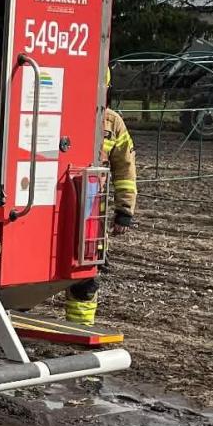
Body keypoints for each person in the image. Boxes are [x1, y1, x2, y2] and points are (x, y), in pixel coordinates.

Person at [66, 70, 136, 326]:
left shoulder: (112, 123)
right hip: (58, 204)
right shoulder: (62, 112)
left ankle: (79, 327)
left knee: (87, 273)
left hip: (92, 208)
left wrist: (124, 211)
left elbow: (125, 168)